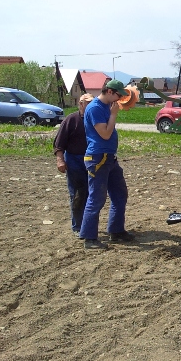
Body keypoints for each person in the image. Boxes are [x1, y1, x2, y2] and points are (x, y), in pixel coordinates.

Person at [79, 79, 135, 250]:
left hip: (109, 157)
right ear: (109, 92)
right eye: (118, 95)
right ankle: (89, 238)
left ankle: (116, 231)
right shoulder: (95, 108)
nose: (119, 99)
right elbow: (104, 134)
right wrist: (113, 115)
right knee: (96, 198)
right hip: (98, 157)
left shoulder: (106, 106)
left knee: (120, 193)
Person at [53, 93, 94, 235]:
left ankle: (87, 225)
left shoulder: (95, 119)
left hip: (92, 159)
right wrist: (60, 160)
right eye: (87, 103)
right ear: (81, 104)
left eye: (92, 103)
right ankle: (77, 226)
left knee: (91, 194)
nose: (90, 105)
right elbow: (59, 143)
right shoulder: (71, 119)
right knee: (77, 194)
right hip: (74, 160)